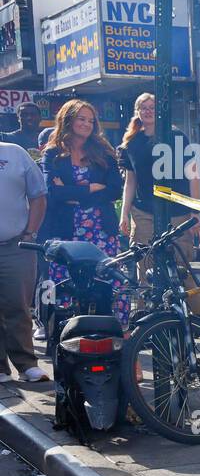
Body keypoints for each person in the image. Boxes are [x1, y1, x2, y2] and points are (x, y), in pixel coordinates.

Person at [117, 92, 200, 318]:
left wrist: (196, 212)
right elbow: (130, 181)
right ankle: (149, 318)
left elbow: (192, 175)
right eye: (143, 107)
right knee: (145, 266)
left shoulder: (176, 136)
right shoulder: (132, 143)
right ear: (138, 112)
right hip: (144, 211)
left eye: (152, 106)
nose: (148, 111)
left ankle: (199, 314)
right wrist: (124, 214)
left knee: (180, 266)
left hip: (177, 210)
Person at [40, 101, 128, 330]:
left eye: (90, 120)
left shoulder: (104, 151)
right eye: (81, 118)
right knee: (61, 284)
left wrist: (73, 192)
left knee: (109, 280)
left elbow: (115, 189)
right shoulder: (52, 153)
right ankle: (56, 333)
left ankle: (117, 333)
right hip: (65, 231)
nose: (87, 124)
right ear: (67, 120)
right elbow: (53, 192)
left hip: (101, 231)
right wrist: (91, 188)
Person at [0, 136, 48, 382]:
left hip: (14, 244)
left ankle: (26, 364)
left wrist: (30, 232)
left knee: (18, 305)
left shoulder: (15, 153)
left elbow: (38, 195)